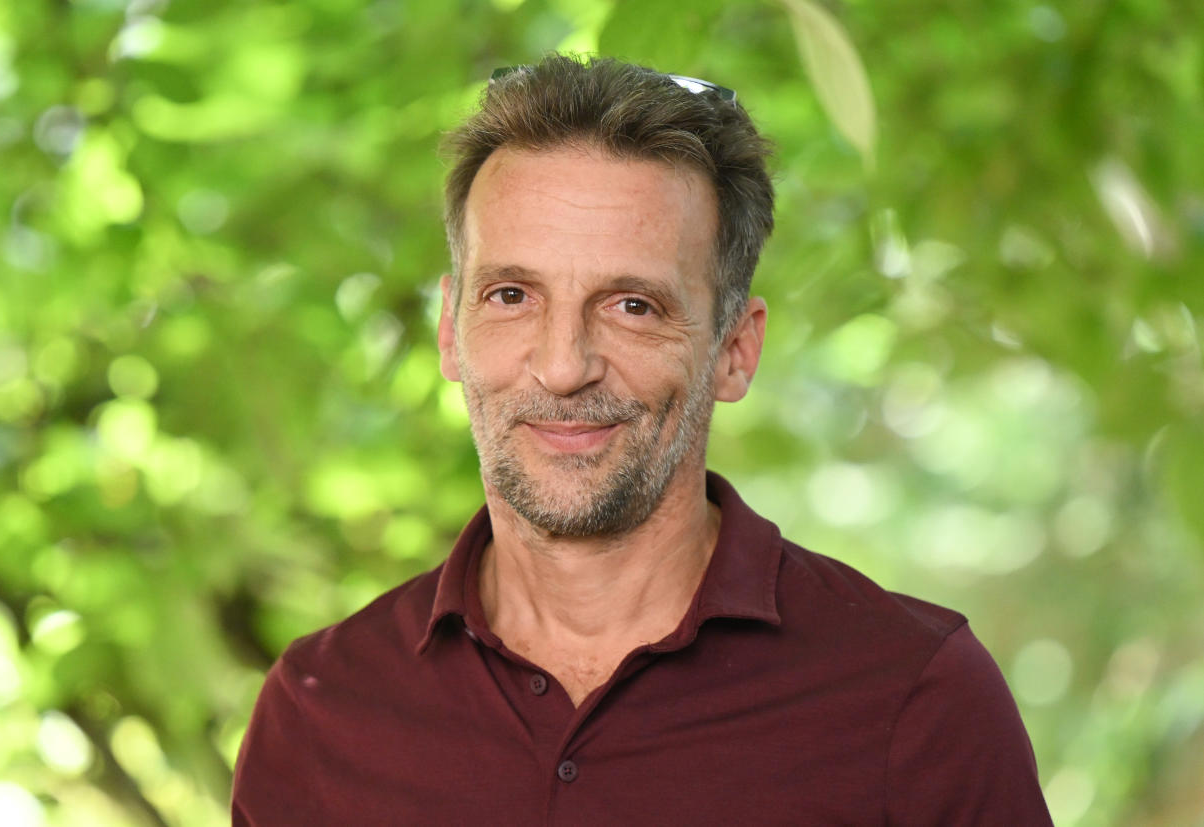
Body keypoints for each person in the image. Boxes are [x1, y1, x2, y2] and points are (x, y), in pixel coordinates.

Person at [231, 54, 1052, 825]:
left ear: (735, 349)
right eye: (512, 294)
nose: (562, 367)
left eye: (632, 305)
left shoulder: (915, 696)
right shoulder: (319, 709)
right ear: (451, 329)